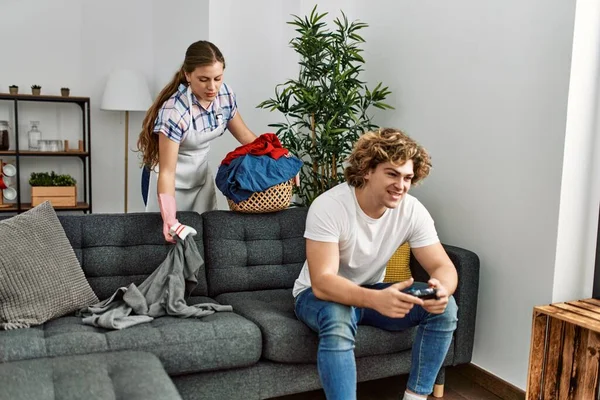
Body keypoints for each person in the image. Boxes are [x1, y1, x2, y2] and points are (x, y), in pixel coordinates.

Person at [292, 128, 458, 400]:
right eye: (392, 174)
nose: (401, 185)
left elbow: (443, 266)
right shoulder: (330, 206)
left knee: (446, 307)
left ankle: (415, 397)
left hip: (373, 289)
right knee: (339, 315)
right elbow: (323, 282)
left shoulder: (412, 210)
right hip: (317, 295)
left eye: (407, 177)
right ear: (367, 170)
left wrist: (441, 290)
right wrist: (374, 299)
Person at [138, 40, 257, 242]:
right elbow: (167, 171)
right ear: (187, 75)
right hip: (167, 182)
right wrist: (169, 219)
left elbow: (247, 138)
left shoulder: (224, 96)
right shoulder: (174, 111)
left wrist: (281, 160)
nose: (212, 87)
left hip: (200, 176)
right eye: (203, 79)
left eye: (217, 78)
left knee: (206, 240)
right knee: (169, 242)